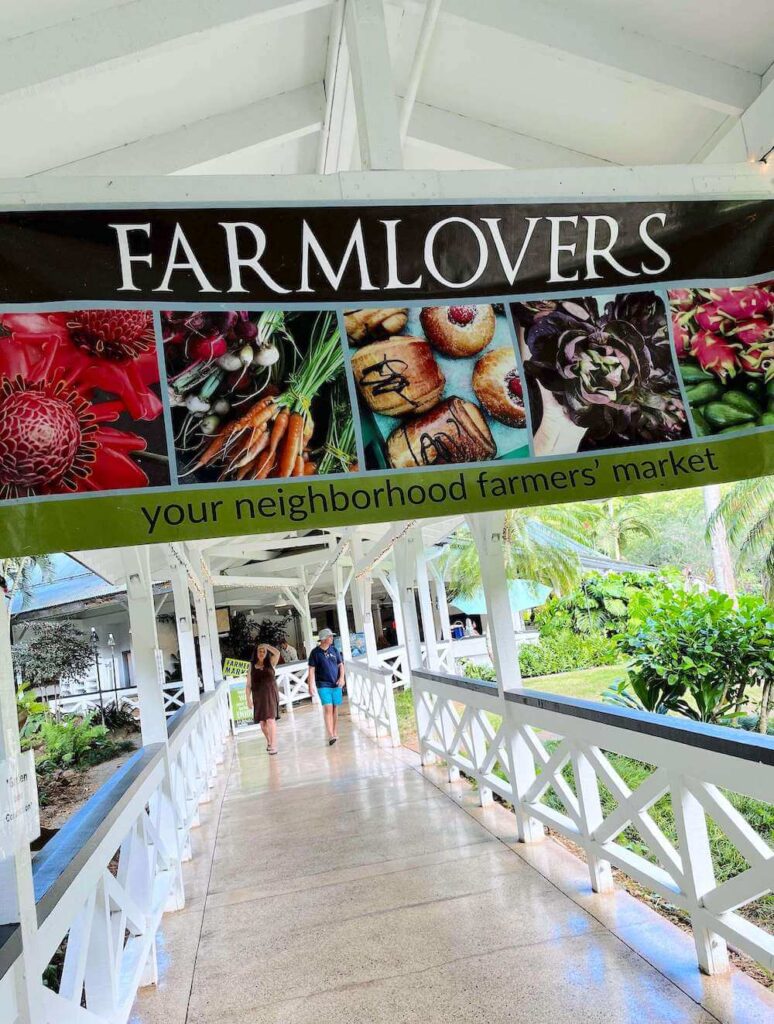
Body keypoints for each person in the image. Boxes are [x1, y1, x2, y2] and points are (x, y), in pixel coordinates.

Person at [307, 628, 344, 745]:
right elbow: (311, 670)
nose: (332, 638)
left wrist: (342, 678)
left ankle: (334, 730)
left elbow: (341, 665)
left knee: (335, 708)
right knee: (328, 708)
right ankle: (330, 734)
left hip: (336, 684)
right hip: (323, 685)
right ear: (323, 639)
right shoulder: (315, 653)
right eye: (330, 636)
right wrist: (310, 685)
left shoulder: (334, 650)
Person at [246, 641, 281, 754]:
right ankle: (269, 741)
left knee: (270, 719)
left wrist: (268, 646)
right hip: (258, 696)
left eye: (263, 651)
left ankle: (274, 745)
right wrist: (248, 699)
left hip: (270, 694)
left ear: (266, 653)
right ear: (256, 653)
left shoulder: (271, 662)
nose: (261, 653)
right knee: (263, 723)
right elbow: (248, 685)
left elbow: (277, 653)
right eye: (259, 651)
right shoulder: (251, 666)